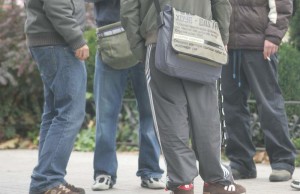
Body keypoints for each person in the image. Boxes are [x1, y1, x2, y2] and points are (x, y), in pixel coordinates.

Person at [121, 0, 246, 194]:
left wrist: (141, 48)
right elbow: (221, 3)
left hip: (159, 39)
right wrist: (221, 38)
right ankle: (216, 180)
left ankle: (181, 182)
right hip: (202, 39)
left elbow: (128, 8)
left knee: (169, 118)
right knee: (206, 114)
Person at [85, 0, 165, 191]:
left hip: (145, 39)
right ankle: (104, 173)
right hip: (111, 41)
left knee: (150, 114)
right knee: (105, 115)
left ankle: (151, 171)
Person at [221, 0, 296, 182]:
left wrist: (273, 35)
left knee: (269, 104)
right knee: (231, 107)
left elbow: (282, 5)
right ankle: (241, 163)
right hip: (228, 46)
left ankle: (282, 162)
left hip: (261, 45)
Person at [25, 0, 89, 193]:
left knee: (54, 114)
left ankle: (48, 179)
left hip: (51, 41)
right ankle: (47, 180)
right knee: (69, 113)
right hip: (58, 42)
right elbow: (57, 5)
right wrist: (77, 39)